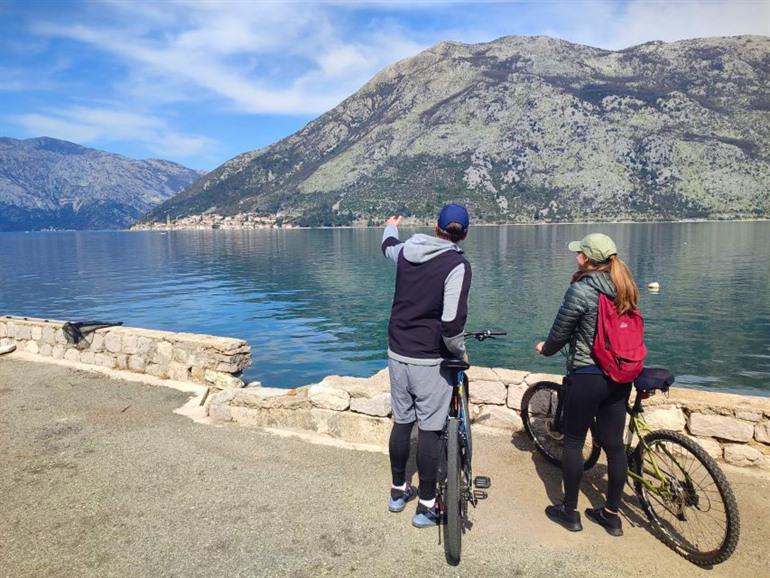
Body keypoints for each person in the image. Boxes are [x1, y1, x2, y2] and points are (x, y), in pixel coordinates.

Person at [535, 233, 640, 537]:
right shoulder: (626, 287)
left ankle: (569, 513)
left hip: (588, 375)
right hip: (620, 376)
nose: (575, 256)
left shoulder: (580, 290)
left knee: (572, 443)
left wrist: (546, 349)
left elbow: (559, 333)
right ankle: (611, 516)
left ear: (587, 259)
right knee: (614, 446)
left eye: (579, 252)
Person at [381, 204, 472, 528]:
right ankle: (427, 506)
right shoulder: (456, 264)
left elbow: (387, 246)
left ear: (435, 226)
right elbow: (450, 323)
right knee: (431, 430)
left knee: (402, 422)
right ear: (464, 233)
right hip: (429, 359)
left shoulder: (407, 251)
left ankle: (397, 491)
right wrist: (459, 354)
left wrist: (391, 225)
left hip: (397, 352)